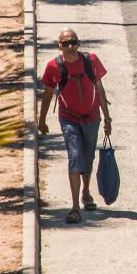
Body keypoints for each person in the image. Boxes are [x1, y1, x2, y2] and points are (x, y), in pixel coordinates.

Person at [38, 28, 111, 224]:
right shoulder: (54, 66)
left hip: (92, 116)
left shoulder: (91, 60)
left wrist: (107, 118)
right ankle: (75, 207)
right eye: (65, 43)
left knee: (88, 156)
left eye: (73, 42)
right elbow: (47, 95)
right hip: (69, 118)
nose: (70, 46)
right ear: (59, 46)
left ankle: (86, 192)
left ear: (78, 43)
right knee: (75, 157)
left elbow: (100, 90)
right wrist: (42, 120)